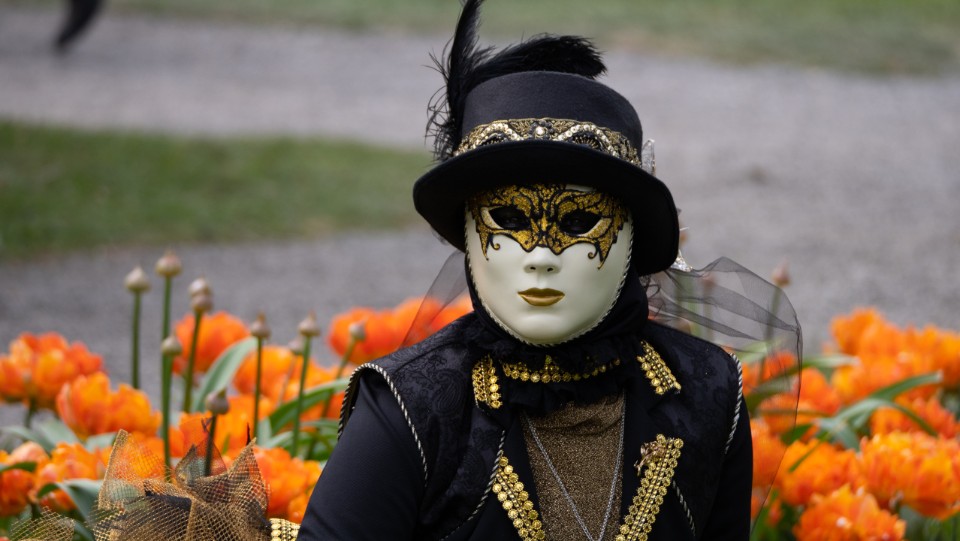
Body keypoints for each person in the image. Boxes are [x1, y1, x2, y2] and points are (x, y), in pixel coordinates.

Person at [298, 1, 800, 540]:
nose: (540, 256)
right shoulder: (414, 407)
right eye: (509, 219)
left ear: (632, 234)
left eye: (579, 222)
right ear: (468, 230)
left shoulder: (704, 393)